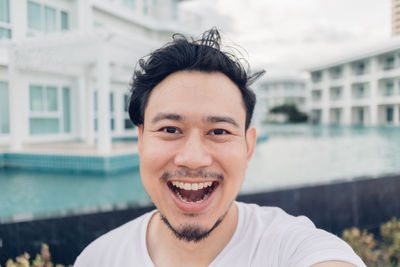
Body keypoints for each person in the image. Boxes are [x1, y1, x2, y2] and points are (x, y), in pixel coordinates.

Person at [74, 28, 365, 267]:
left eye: (219, 131)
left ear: (248, 147)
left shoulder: (288, 247)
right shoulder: (98, 258)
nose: (193, 158)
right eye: (170, 130)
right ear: (141, 140)